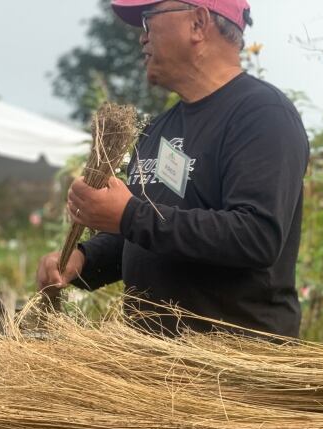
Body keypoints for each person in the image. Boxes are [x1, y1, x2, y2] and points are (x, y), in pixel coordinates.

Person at [36, 0, 309, 338]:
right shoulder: (158, 130)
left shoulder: (261, 115)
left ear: (198, 22)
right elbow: (143, 234)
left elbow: (256, 236)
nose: (142, 38)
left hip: (231, 370)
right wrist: (83, 259)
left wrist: (128, 215)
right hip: (159, 366)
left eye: (149, 20)